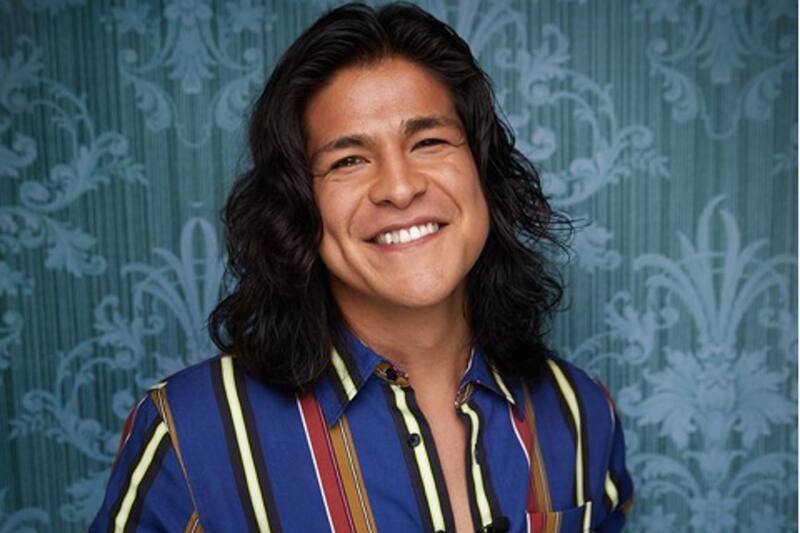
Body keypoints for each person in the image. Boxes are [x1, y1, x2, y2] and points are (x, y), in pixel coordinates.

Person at [91, 2, 634, 532]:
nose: (399, 187)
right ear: (298, 206)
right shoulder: (188, 435)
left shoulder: (582, 413)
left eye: (428, 141)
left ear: (482, 171)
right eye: (348, 160)